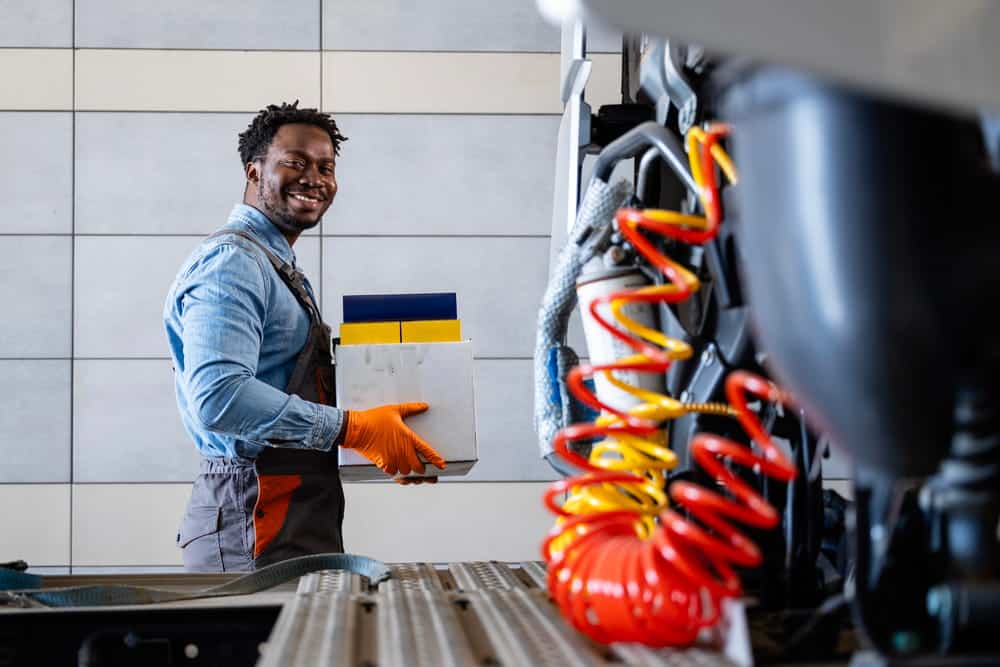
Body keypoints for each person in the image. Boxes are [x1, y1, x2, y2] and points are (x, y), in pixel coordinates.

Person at [164, 101, 445, 572]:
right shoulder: (233, 264)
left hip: (292, 507)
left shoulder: (275, 266)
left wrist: (388, 437)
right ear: (254, 171)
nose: (313, 177)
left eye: (325, 166)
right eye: (295, 162)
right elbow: (218, 398)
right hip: (251, 513)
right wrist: (353, 428)